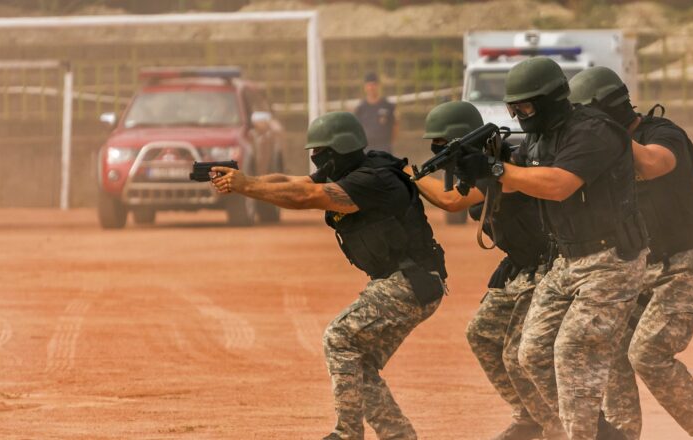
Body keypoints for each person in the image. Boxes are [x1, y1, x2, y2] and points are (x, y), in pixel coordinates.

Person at [210, 111, 447, 440]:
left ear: (338, 150)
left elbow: (307, 197)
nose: (314, 158)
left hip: (413, 281)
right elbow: (297, 183)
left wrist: (247, 186)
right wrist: (245, 180)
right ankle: (398, 436)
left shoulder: (372, 180)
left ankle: (347, 433)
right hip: (403, 281)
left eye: (319, 152)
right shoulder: (349, 168)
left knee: (340, 338)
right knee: (358, 363)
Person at [454, 56, 648, 440]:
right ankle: (605, 434)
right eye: (513, 108)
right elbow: (516, 180)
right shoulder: (541, 136)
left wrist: (495, 169)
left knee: (571, 350)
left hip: (612, 260)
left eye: (524, 106)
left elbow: (559, 184)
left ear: (550, 100)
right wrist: (478, 171)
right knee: (531, 352)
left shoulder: (593, 132)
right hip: (568, 258)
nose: (519, 114)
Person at [568, 66, 693, 440]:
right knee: (608, 343)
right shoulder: (602, 151)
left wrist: (605, 136)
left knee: (647, 353)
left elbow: (654, 163)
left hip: (682, 265)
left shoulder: (664, 134)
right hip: (636, 266)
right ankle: (623, 434)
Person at [407, 100, 562, 440]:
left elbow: (451, 202)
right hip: (521, 267)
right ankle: (528, 416)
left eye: (441, 143)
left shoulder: (501, 163)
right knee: (480, 334)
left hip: (549, 268)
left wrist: (409, 177)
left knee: (517, 353)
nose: (436, 149)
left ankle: (556, 427)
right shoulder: (470, 169)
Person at [354, 72, 398, 153]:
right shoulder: (361, 108)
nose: (371, 88)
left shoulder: (387, 105)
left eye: (374, 84)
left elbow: (395, 126)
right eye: (369, 85)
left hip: (384, 148)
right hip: (367, 149)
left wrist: (389, 144)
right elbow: (356, 129)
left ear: (378, 86)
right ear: (365, 87)